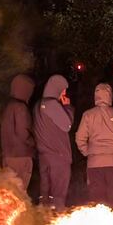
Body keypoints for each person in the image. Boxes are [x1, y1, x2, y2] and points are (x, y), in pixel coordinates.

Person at [75, 83, 113, 209]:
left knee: (97, 201)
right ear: (110, 96)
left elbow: (80, 137)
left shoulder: (88, 115)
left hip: (94, 164)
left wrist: (87, 152)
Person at [34, 74, 74, 211]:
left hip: (44, 156)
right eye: (63, 89)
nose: (64, 93)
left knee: (46, 196)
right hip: (58, 156)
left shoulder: (38, 105)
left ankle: (43, 224)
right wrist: (68, 107)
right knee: (57, 196)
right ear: (56, 88)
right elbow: (67, 125)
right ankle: (57, 221)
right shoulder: (51, 104)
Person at [1, 74, 35, 191]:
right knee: (19, 191)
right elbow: (23, 133)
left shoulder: (8, 107)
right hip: (21, 156)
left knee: (9, 190)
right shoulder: (21, 108)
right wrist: (33, 143)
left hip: (8, 155)